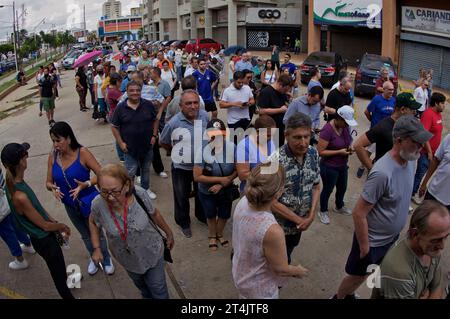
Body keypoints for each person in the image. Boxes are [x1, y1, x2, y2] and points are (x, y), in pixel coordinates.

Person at [333, 115, 432, 299]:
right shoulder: (382, 172)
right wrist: (365, 248)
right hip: (373, 241)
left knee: (370, 273)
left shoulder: (410, 161)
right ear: (399, 140)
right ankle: (339, 296)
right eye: (416, 142)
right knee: (357, 276)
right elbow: (359, 213)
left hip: (390, 239)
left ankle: (350, 294)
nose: (420, 147)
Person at [1, 142, 74, 299]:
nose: (27, 156)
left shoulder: (15, 182)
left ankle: (67, 281)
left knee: (59, 268)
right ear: (22, 161)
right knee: (58, 276)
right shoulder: (20, 195)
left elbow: (38, 209)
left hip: (43, 237)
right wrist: (62, 226)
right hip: (44, 240)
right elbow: (45, 226)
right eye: (25, 154)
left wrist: (53, 219)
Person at [89, 164, 174, 299]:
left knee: (158, 289)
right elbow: (93, 222)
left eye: (115, 191)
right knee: (142, 288)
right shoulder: (98, 204)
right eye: (104, 191)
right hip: (127, 258)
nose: (110, 197)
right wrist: (97, 248)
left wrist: (169, 233)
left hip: (151, 252)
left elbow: (155, 214)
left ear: (127, 185)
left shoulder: (139, 194)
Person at [45, 122, 114, 276]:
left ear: (68, 139)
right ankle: (94, 258)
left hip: (89, 202)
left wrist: (86, 184)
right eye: (53, 141)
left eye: (58, 140)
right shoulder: (53, 157)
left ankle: (107, 259)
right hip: (70, 205)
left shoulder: (83, 153)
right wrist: (53, 188)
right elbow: (48, 182)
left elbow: (101, 173)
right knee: (84, 234)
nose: (55, 145)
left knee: (96, 233)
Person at [232, 162, 309, 299]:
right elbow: (280, 269)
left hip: (241, 274)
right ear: (279, 192)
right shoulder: (272, 230)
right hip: (260, 289)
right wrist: (298, 270)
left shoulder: (242, 202)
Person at [268, 112, 321, 264]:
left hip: (299, 226)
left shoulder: (313, 153)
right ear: (286, 135)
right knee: (274, 262)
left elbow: (316, 186)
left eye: (306, 136)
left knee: (288, 253)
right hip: (277, 229)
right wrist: (299, 220)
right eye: (297, 137)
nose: (303, 143)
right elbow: (269, 201)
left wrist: (310, 216)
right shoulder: (274, 162)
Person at [372, 200, 450, 299]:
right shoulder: (399, 273)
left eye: (446, 236)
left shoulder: (431, 249)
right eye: (435, 240)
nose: (442, 246)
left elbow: (438, 286)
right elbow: (436, 288)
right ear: (415, 234)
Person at [160, 90, 209, 238]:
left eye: (195, 102)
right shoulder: (174, 122)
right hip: (181, 168)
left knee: (202, 193)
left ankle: (201, 216)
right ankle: (184, 222)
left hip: (201, 166)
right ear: (181, 106)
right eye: (188, 103)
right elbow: (163, 141)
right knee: (181, 196)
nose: (193, 106)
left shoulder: (204, 116)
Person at [111, 81, 160, 200]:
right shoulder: (120, 108)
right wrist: (121, 143)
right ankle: (130, 192)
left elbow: (155, 120)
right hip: (129, 148)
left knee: (146, 169)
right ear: (127, 92)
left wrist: (154, 136)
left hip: (147, 146)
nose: (135, 93)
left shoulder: (148, 105)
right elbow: (114, 126)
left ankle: (145, 189)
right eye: (132, 90)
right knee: (130, 173)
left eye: (138, 90)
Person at [193, 119, 237, 251]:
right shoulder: (202, 151)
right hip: (207, 191)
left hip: (226, 189)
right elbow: (197, 176)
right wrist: (219, 180)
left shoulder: (232, 147)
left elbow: (238, 169)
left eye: (220, 135)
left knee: (224, 214)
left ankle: (219, 233)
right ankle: (212, 236)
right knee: (210, 214)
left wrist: (224, 182)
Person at [353, 92, 421, 172]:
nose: (415, 113)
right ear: (402, 109)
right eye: (412, 110)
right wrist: (372, 169)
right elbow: (358, 145)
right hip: (384, 177)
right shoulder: (384, 126)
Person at [317, 106, 358, 225]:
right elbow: (321, 151)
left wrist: (349, 147)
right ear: (338, 118)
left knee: (342, 187)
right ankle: (323, 211)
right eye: (345, 122)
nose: (347, 125)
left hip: (342, 165)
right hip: (329, 166)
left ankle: (339, 206)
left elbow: (348, 141)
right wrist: (339, 152)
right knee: (328, 189)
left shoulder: (344, 127)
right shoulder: (327, 130)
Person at [356, 81, 397, 178]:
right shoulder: (377, 99)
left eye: (393, 89)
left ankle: (376, 167)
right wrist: (372, 121)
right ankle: (363, 166)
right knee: (369, 151)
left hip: (387, 132)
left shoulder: (394, 101)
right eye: (389, 90)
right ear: (384, 89)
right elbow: (367, 112)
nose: (392, 91)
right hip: (377, 131)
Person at [412, 92, 445, 204]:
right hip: (426, 152)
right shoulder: (428, 114)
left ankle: (416, 192)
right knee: (420, 174)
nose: (444, 105)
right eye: (442, 103)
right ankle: (411, 194)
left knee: (426, 174)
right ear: (436, 103)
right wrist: (430, 152)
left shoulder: (438, 115)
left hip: (434, 152)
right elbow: (423, 133)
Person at [0, 167, 35, 270]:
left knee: (7, 233)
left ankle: (20, 259)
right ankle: (28, 245)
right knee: (15, 225)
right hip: (5, 201)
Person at [236, 115, 277, 193]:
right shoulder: (244, 146)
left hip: (268, 190)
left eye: (272, 135)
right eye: (268, 135)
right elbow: (243, 175)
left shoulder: (270, 142)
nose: (271, 138)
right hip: (251, 193)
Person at [257, 74, 294, 147]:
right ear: (280, 85)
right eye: (285, 89)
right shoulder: (266, 92)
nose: (286, 91)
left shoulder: (282, 93)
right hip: (268, 130)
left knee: (278, 150)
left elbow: (283, 105)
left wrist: (288, 101)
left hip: (280, 128)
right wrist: (280, 110)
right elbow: (261, 111)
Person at [219, 71, 255, 138]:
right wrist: (234, 104)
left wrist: (248, 103)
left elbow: (252, 100)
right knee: (235, 143)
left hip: (246, 120)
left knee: (245, 142)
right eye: (239, 82)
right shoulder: (227, 90)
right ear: (234, 80)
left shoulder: (247, 88)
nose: (241, 84)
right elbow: (221, 105)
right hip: (233, 122)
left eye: (242, 82)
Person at [419, 134, 450, 211]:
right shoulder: (449, 138)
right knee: (422, 219)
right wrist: (424, 183)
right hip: (434, 192)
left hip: (448, 203)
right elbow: (436, 160)